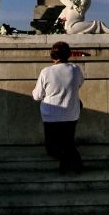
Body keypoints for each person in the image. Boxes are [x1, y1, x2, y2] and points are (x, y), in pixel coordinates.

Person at [32, 41, 84, 174]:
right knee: (68, 143)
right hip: (71, 113)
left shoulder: (46, 71)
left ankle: (70, 164)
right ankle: (71, 165)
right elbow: (79, 84)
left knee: (52, 147)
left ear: (52, 56)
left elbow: (37, 96)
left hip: (51, 115)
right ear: (69, 54)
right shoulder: (75, 69)